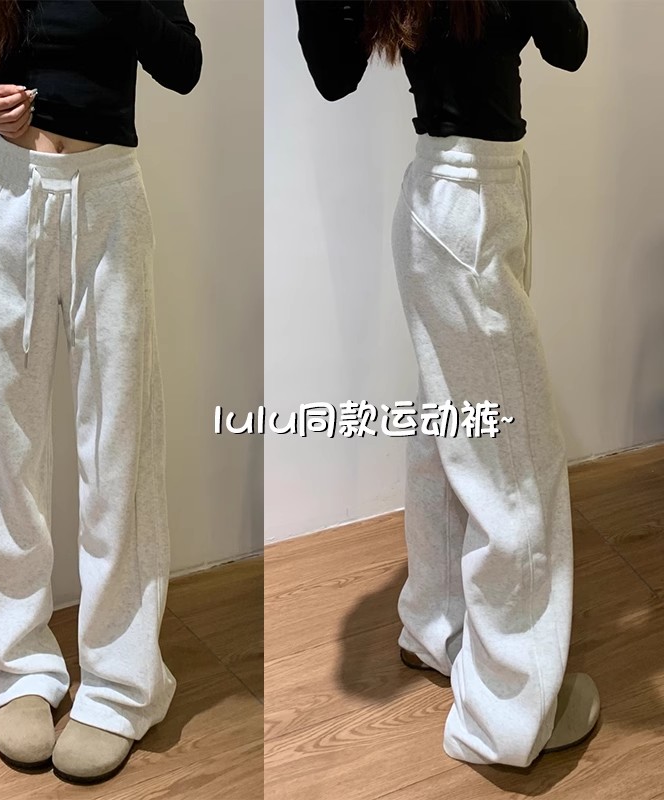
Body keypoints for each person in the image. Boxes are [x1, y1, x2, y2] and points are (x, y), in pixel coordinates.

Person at [295, 0, 598, 769]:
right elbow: (335, 73)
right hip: (463, 204)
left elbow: (567, 44)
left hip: (470, 195)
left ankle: (436, 626)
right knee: (514, 465)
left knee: (450, 430)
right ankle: (508, 715)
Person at [0, 0, 201, 785]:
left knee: (118, 445)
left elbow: (183, 65)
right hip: (9, 190)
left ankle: (121, 684)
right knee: (2, 443)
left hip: (108, 200)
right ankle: (12, 665)